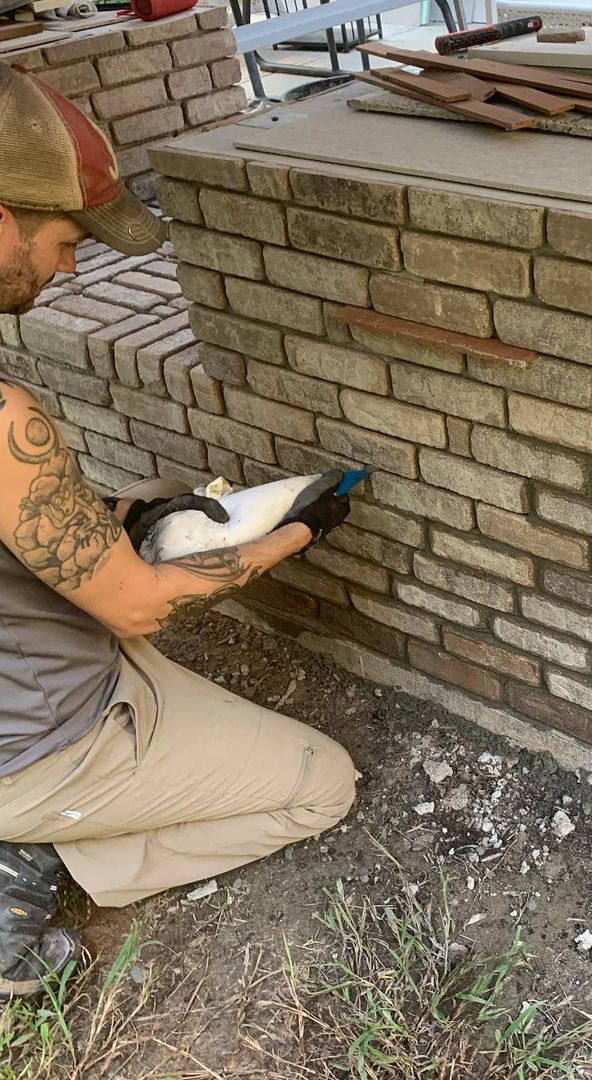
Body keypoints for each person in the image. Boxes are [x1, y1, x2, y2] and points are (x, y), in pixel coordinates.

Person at [0, 63, 358, 1000]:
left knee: (139, 534)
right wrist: (290, 532)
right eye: (65, 240)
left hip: (26, 673)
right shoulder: (0, 420)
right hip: (37, 737)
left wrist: (128, 515)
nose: (70, 265)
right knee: (324, 786)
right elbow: (143, 603)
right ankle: (51, 845)